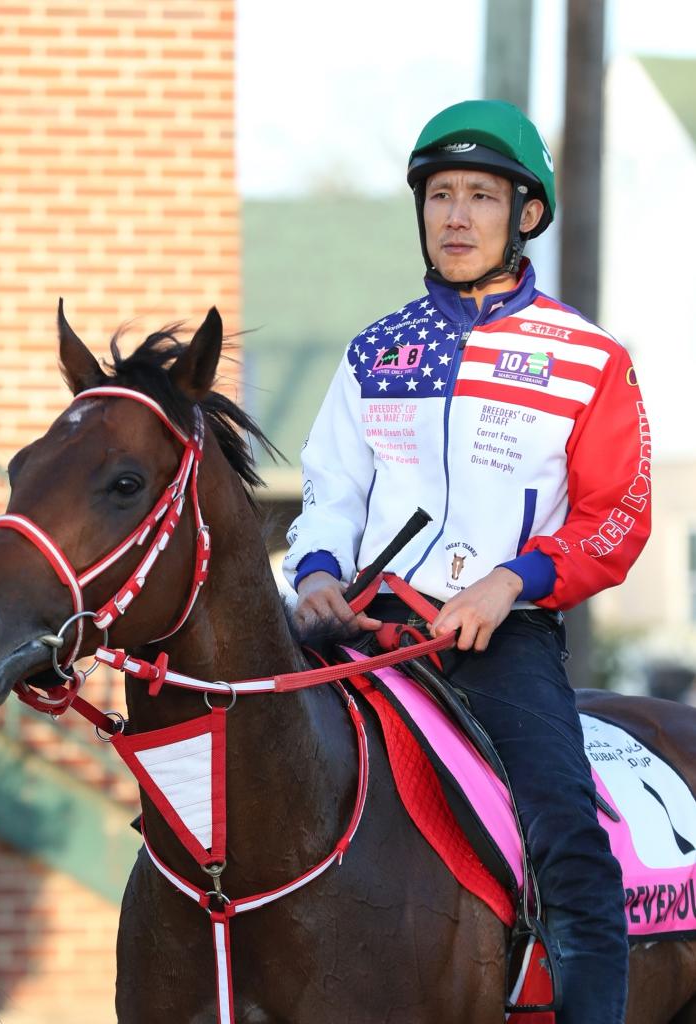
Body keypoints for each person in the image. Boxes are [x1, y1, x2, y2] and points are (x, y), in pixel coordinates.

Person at [283, 99, 651, 1024]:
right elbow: (329, 489)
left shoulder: (588, 358)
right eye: (439, 195)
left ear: (525, 214)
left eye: (480, 196)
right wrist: (319, 571)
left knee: (568, 833)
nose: (454, 216)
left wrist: (512, 579)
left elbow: (617, 518)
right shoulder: (374, 350)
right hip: (364, 635)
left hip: (501, 640)